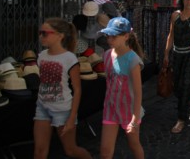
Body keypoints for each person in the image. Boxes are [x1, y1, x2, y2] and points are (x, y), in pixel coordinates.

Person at [34, 18, 92, 159]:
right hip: (42, 107)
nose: (41, 36)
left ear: (60, 36)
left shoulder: (70, 58)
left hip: (63, 110)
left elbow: (77, 89)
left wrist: (72, 117)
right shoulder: (41, 56)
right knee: (40, 151)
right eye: (40, 33)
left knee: (70, 150)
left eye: (45, 33)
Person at [100, 17, 144, 159]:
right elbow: (109, 81)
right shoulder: (106, 55)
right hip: (111, 108)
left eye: (114, 36)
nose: (110, 39)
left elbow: (138, 92)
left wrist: (134, 119)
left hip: (129, 110)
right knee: (105, 151)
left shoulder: (133, 59)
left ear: (126, 36)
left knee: (134, 145)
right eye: (108, 36)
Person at [163, 0, 190, 133]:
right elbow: (171, 35)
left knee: (186, 84)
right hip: (177, 55)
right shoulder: (175, 15)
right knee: (178, 86)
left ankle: (181, 119)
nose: (189, 1)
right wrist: (166, 54)